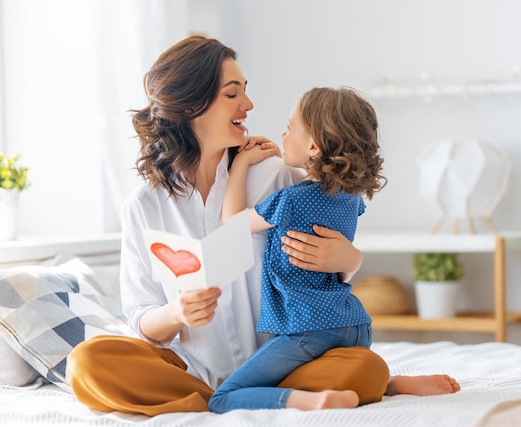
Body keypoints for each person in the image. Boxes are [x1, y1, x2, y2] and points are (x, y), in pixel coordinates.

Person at [66, 35, 392, 417]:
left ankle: (236, 398)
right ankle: (221, 397)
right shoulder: (143, 206)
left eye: (245, 92)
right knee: (87, 364)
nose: (249, 105)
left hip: (285, 362)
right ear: (191, 104)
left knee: (367, 369)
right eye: (232, 94)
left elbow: (325, 271)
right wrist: (177, 313)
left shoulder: (276, 176)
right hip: (188, 370)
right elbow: (143, 320)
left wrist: (350, 258)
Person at [207, 87, 460, 413]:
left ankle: (311, 401)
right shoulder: (350, 199)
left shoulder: (290, 200)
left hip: (309, 328)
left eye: (289, 127)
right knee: (325, 370)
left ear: (313, 145)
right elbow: (325, 206)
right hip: (354, 326)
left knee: (223, 397)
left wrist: (241, 163)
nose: (282, 134)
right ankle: (390, 385)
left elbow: (232, 222)